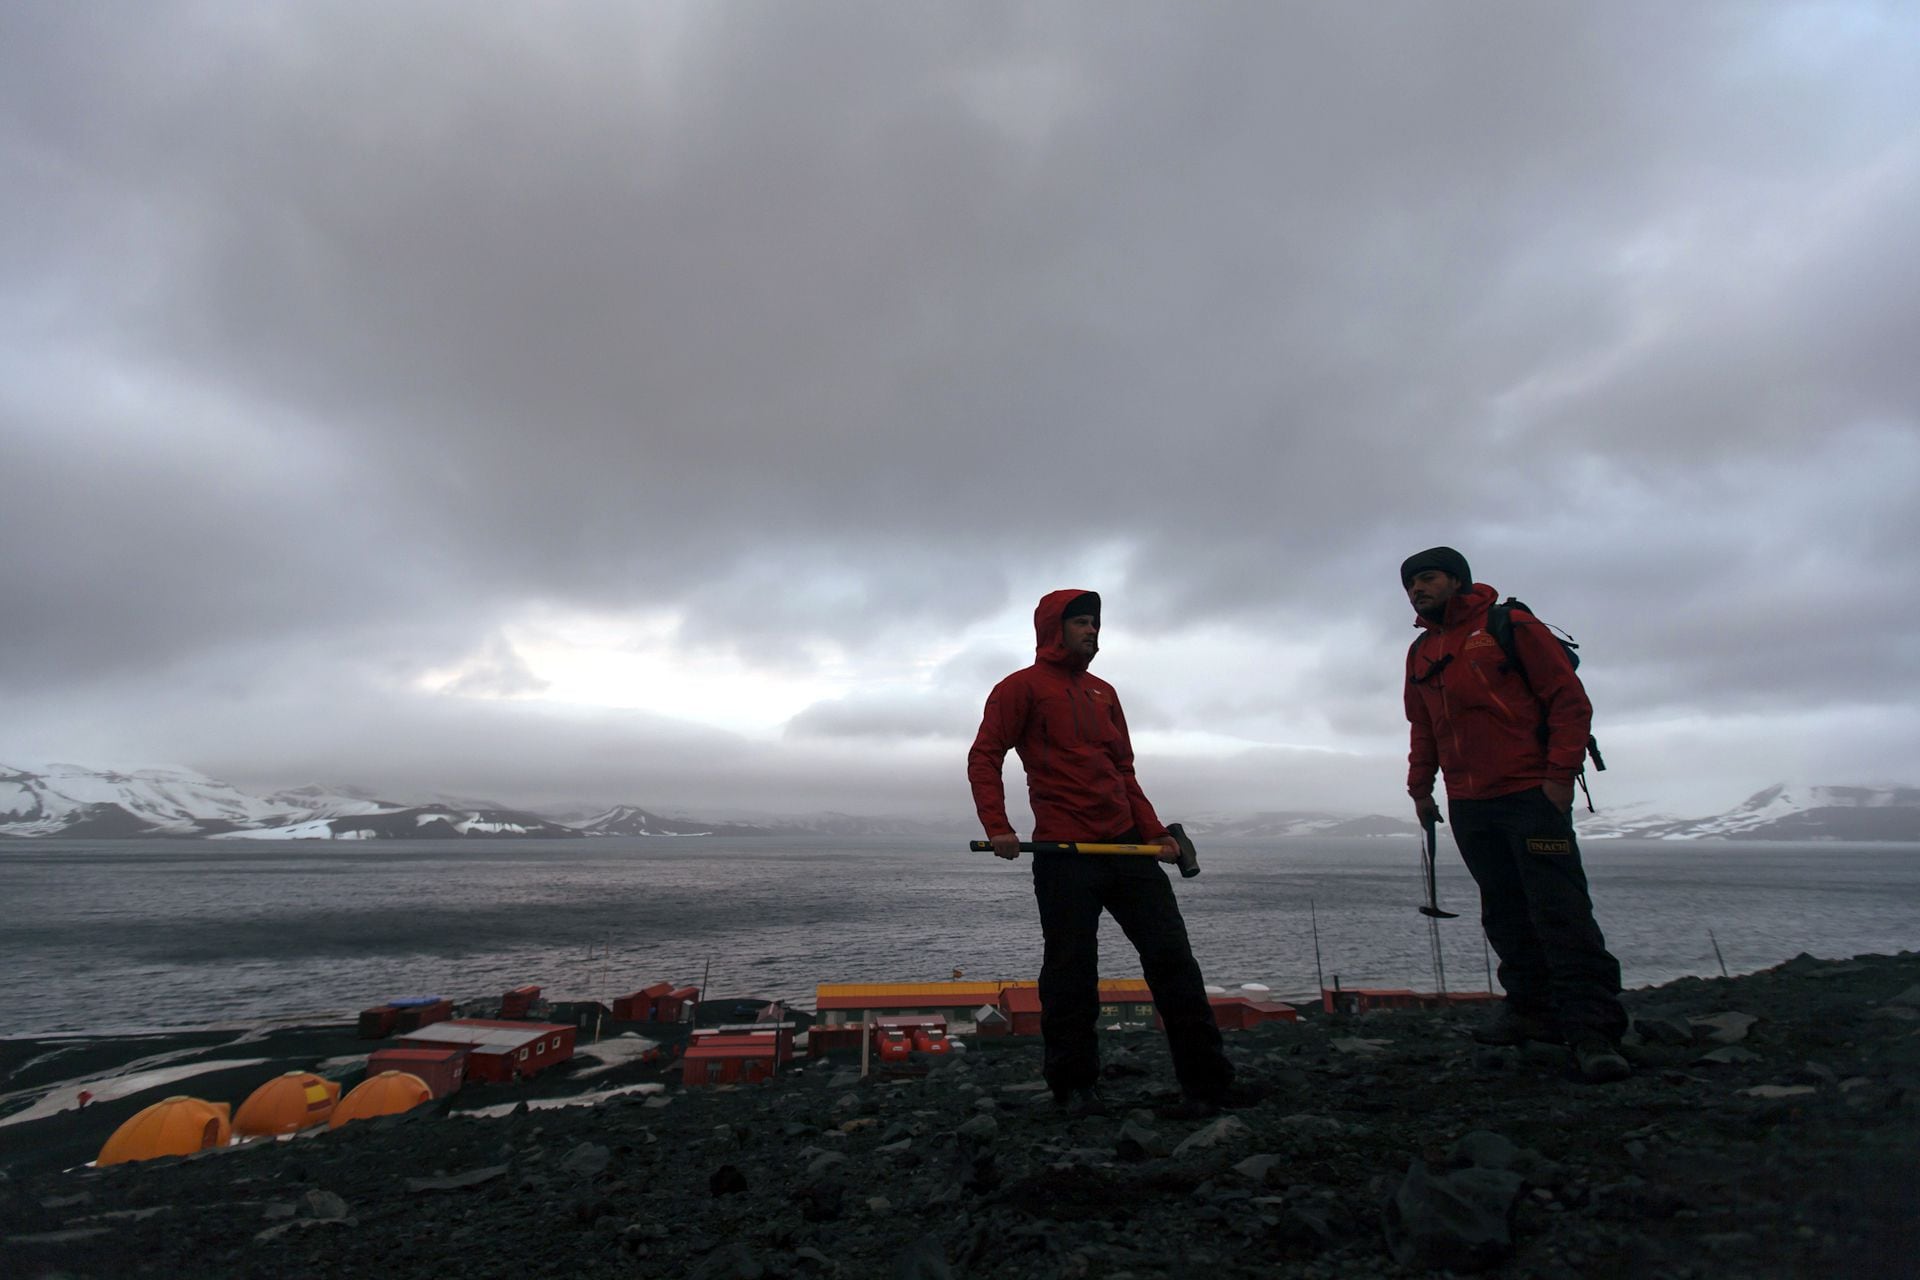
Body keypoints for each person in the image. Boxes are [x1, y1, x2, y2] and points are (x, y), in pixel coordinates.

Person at [968, 589, 1239, 1117]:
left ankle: (1208, 1083)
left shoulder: (1104, 692)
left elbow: (1124, 773)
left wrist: (1158, 833)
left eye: (1095, 623)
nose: (1092, 631)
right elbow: (985, 756)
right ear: (1055, 628)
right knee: (1071, 971)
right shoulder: (1019, 688)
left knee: (1173, 961)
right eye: (1081, 624)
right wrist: (997, 826)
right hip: (1064, 853)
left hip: (1128, 849)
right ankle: (1073, 1088)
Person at [1400, 547, 1631, 1083]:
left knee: (1559, 910)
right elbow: (1423, 726)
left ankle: (1593, 1030)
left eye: (1427, 578)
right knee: (1503, 910)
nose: (1417, 590)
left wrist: (1556, 781)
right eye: (1410, 584)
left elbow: (1569, 702)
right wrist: (1420, 788)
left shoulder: (1510, 625)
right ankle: (1531, 1011)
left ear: (1457, 580)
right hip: (1469, 803)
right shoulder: (1420, 650)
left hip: (1529, 795)